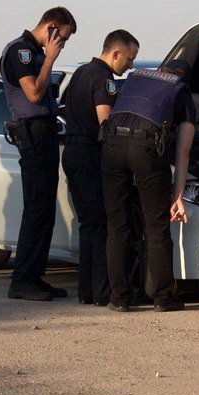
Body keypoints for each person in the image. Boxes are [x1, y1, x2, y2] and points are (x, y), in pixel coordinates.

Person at [101, 59, 196, 312]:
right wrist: (177, 196)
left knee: (117, 225)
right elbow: (183, 151)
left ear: (160, 71)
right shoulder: (180, 91)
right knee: (156, 226)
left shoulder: (133, 80)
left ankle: (119, 298)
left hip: (112, 147)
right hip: (146, 150)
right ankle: (163, 298)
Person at [0, 8, 76, 301]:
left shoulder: (33, 52)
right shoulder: (21, 52)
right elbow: (32, 94)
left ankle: (33, 276)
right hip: (32, 134)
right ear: (52, 27)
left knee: (44, 210)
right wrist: (52, 59)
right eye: (63, 38)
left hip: (43, 133)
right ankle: (22, 280)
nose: (62, 44)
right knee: (36, 210)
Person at [61, 30, 139, 306]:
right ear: (115, 53)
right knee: (103, 225)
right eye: (129, 59)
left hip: (71, 152)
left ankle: (87, 290)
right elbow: (106, 124)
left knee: (88, 225)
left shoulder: (81, 72)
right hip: (90, 155)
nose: (129, 66)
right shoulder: (103, 78)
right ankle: (103, 290)